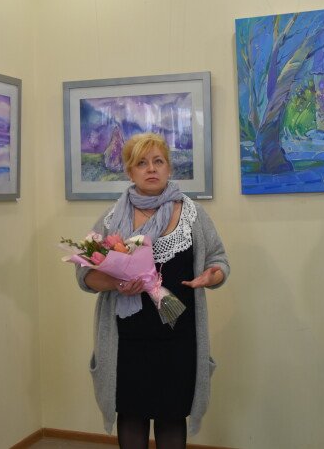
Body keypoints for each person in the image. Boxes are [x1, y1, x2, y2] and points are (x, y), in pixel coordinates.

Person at [76, 132, 229, 449]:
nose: (151, 169)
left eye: (158, 161)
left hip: (179, 339)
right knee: (131, 416)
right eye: (141, 163)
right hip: (126, 342)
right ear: (129, 172)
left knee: (172, 417)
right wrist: (116, 283)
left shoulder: (193, 215)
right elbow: (84, 274)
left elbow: (219, 260)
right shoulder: (112, 219)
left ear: (169, 168)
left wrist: (212, 276)